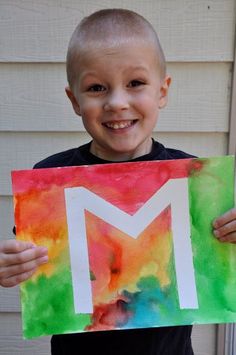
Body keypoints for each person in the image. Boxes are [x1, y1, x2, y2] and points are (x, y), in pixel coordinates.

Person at [0, 8, 236, 355]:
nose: (117, 103)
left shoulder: (195, 180)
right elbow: (32, 264)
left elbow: (216, 265)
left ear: (162, 91)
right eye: (97, 88)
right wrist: (9, 266)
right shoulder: (49, 184)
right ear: (74, 100)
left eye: (135, 84)